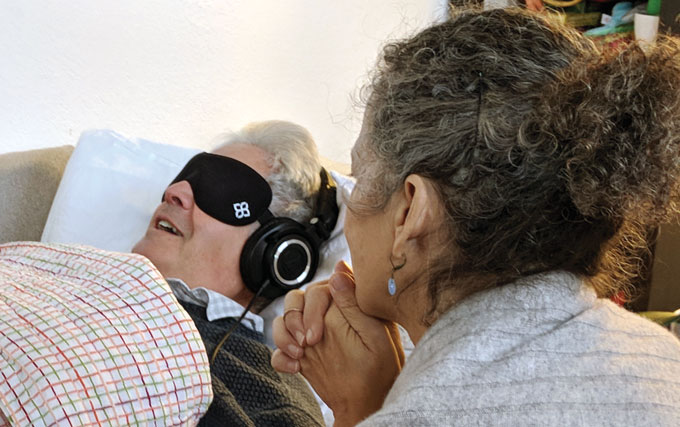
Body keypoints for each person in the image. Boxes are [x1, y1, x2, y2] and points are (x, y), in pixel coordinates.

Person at [271, 8, 680, 426]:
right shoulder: (665, 358)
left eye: (359, 181)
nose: (349, 209)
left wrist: (358, 413)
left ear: (411, 212)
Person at [133, 120, 331, 426]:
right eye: (186, 177)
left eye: (219, 188)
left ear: (272, 253)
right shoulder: (75, 276)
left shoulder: (266, 392)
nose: (175, 192)